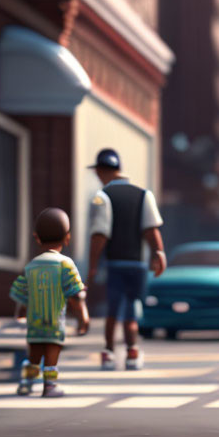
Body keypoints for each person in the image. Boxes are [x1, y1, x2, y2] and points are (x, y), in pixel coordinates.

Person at [86, 149, 166, 370]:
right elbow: (151, 230)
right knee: (132, 308)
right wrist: (159, 253)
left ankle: (109, 352)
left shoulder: (102, 197)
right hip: (137, 264)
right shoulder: (143, 194)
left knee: (113, 310)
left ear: (102, 171)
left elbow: (100, 234)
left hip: (115, 263)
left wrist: (92, 266)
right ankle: (132, 351)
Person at [11, 208, 89, 398]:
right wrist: (82, 317)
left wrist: (21, 312)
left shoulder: (30, 266)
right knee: (52, 354)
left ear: (36, 238)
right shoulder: (66, 264)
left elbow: (23, 294)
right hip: (55, 323)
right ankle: (50, 385)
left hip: (35, 323)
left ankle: (27, 382)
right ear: (67, 238)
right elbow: (75, 295)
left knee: (34, 356)